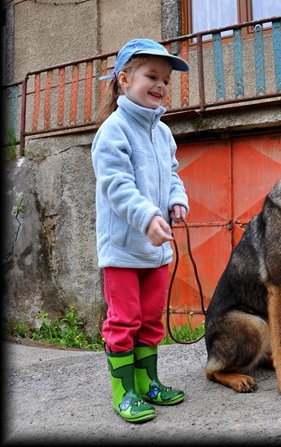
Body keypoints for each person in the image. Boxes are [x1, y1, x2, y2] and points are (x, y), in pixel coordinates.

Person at [91, 38, 190, 423]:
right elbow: (116, 185)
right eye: (152, 75)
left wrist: (176, 199)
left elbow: (171, 175)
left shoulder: (163, 133)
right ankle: (124, 392)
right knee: (124, 320)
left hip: (155, 251)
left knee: (151, 319)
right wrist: (148, 218)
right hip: (122, 250)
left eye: (166, 79)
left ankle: (149, 382)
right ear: (124, 79)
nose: (161, 85)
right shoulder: (113, 131)